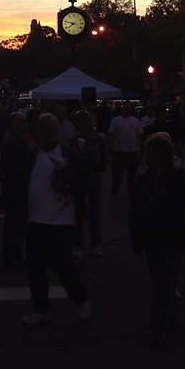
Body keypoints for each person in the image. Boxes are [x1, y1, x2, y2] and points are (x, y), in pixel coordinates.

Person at [129, 132, 185, 346]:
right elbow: (135, 209)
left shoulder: (179, 178)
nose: (144, 156)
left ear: (157, 155)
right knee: (161, 283)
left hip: (174, 239)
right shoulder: (144, 178)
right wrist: (136, 235)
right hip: (151, 239)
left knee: (164, 284)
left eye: (148, 153)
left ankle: (158, 328)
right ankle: (169, 316)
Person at [19, 113, 93, 325]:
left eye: (51, 130)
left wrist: (69, 182)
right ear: (37, 133)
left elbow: (87, 181)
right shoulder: (31, 156)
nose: (48, 135)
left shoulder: (70, 155)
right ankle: (41, 309)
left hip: (63, 220)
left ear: (58, 131)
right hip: (36, 221)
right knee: (36, 267)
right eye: (43, 131)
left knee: (63, 264)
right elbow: (18, 183)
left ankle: (79, 298)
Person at [69, 109, 107, 257]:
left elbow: (103, 158)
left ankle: (95, 244)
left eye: (84, 120)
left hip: (94, 178)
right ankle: (78, 244)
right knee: (78, 213)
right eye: (78, 121)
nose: (81, 124)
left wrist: (98, 164)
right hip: (79, 179)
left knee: (95, 214)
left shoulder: (98, 139)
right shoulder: (73, 141)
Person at [0, 111, 30, 268]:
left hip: (17, 189)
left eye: (25, 121)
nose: (25, 124)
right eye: (22, 122)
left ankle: (14, 255)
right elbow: (14, 168)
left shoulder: (16, 139)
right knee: (15, 225)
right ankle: (12, 257)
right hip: (15, 190)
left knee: (17, 225)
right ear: (13, 124)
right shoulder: (11, 142)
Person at [107, 103, 143, 195]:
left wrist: (139, 147)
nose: (127, 110)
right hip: (119, 151)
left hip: (132, 151)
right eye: (125, 108)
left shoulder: (135, 121)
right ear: (122, 109)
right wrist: (110, 145)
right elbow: (110, 134)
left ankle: (130, 189)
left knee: (132, 173)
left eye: (128, 108)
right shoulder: (116, 120)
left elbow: (140, 134)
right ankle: (116, 185)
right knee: (117, 173)